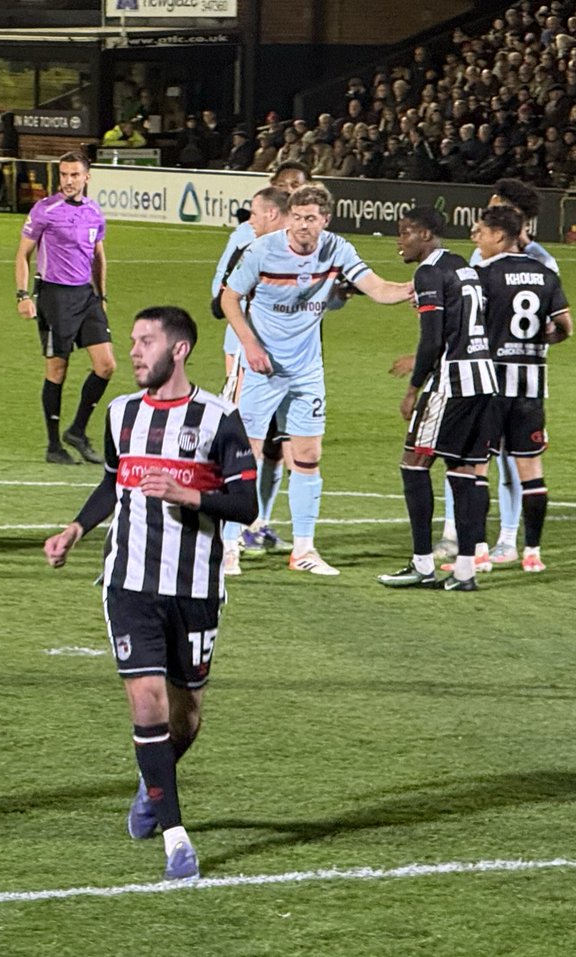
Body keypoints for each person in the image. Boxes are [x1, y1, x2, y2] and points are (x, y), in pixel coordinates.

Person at [43, 306, 257, 881]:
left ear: (179, 350)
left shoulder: (220, 419)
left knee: (185, 717)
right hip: (129, 583)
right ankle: (177, 837)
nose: (134, 352)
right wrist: (75, 528)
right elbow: (114, 480)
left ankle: (151, 783)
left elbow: (246, 505)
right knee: (147, 703)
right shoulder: (121, 414)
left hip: (195, 588)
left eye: (146, 342)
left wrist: (191, 497)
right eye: (133, 341)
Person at [220, 184, 413, 576]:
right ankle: (227, 546)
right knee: (247, 455)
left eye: (311, 218)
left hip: (306, 370)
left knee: (308, 458)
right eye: (297, 217)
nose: (302, 226)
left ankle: (304, 550)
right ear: (288, 216)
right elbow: (228, 298)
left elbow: (375, 288)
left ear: (325, 220)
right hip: (261, 368)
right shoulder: (262, 250)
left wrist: (416, 286)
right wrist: (249, 346)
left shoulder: (336, 249)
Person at [377, 208, 496, 592]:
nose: (400, 240)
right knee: (464, 473)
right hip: (484, 381)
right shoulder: (463, 266)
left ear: (426, 234)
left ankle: (423, 564)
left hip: (452, 383)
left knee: (413, 464)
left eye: (406, 233)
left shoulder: (428, 273)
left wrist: (414, 388)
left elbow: (432, 340)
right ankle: (464, 572)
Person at [209, 162, 310, 572]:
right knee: (243, 441)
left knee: (277, 447)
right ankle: (227, 535)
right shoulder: (245, 239)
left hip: (293, 360)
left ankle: (256, 522)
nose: (293, 196)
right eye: (286, 189)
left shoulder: (309, 245)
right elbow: (219, 300)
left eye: (299, 188)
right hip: (247, 353)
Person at [472, 204, 572, 573]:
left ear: (500, 236)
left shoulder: (482, 274)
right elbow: (565, 327)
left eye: (481, 232)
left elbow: (468, 328)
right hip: (530, 387)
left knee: (477, 468)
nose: (476, 238)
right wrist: (534, 341)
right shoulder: (545, 274)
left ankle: (479, 552)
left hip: (490, 385)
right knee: (531, 470)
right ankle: (532, 553)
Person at [15, 151, 115, 465]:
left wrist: (101, 296)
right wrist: (22, 295)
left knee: (106, 365)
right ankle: (53, 445)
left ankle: (77, 430)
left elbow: (98, 257)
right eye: (63, 175)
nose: (68, 181)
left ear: (87, 177)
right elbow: (22, 255)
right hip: (54, 296)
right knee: (58, 370)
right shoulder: (45, 210)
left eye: (74, 175)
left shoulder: (94, 212)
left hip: (86, 296)